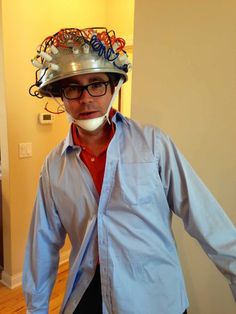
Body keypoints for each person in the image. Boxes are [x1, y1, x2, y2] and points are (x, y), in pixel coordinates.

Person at [23, 27, 236, 314]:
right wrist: (36, 309)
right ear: (61, 96)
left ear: (113, 86)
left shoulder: (153, 145)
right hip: (88, 290)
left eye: (96, 84)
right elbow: (42, 244)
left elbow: (205, 218)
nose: (85, 98)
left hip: (155, 297)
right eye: (73, 87)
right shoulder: (54, 166)